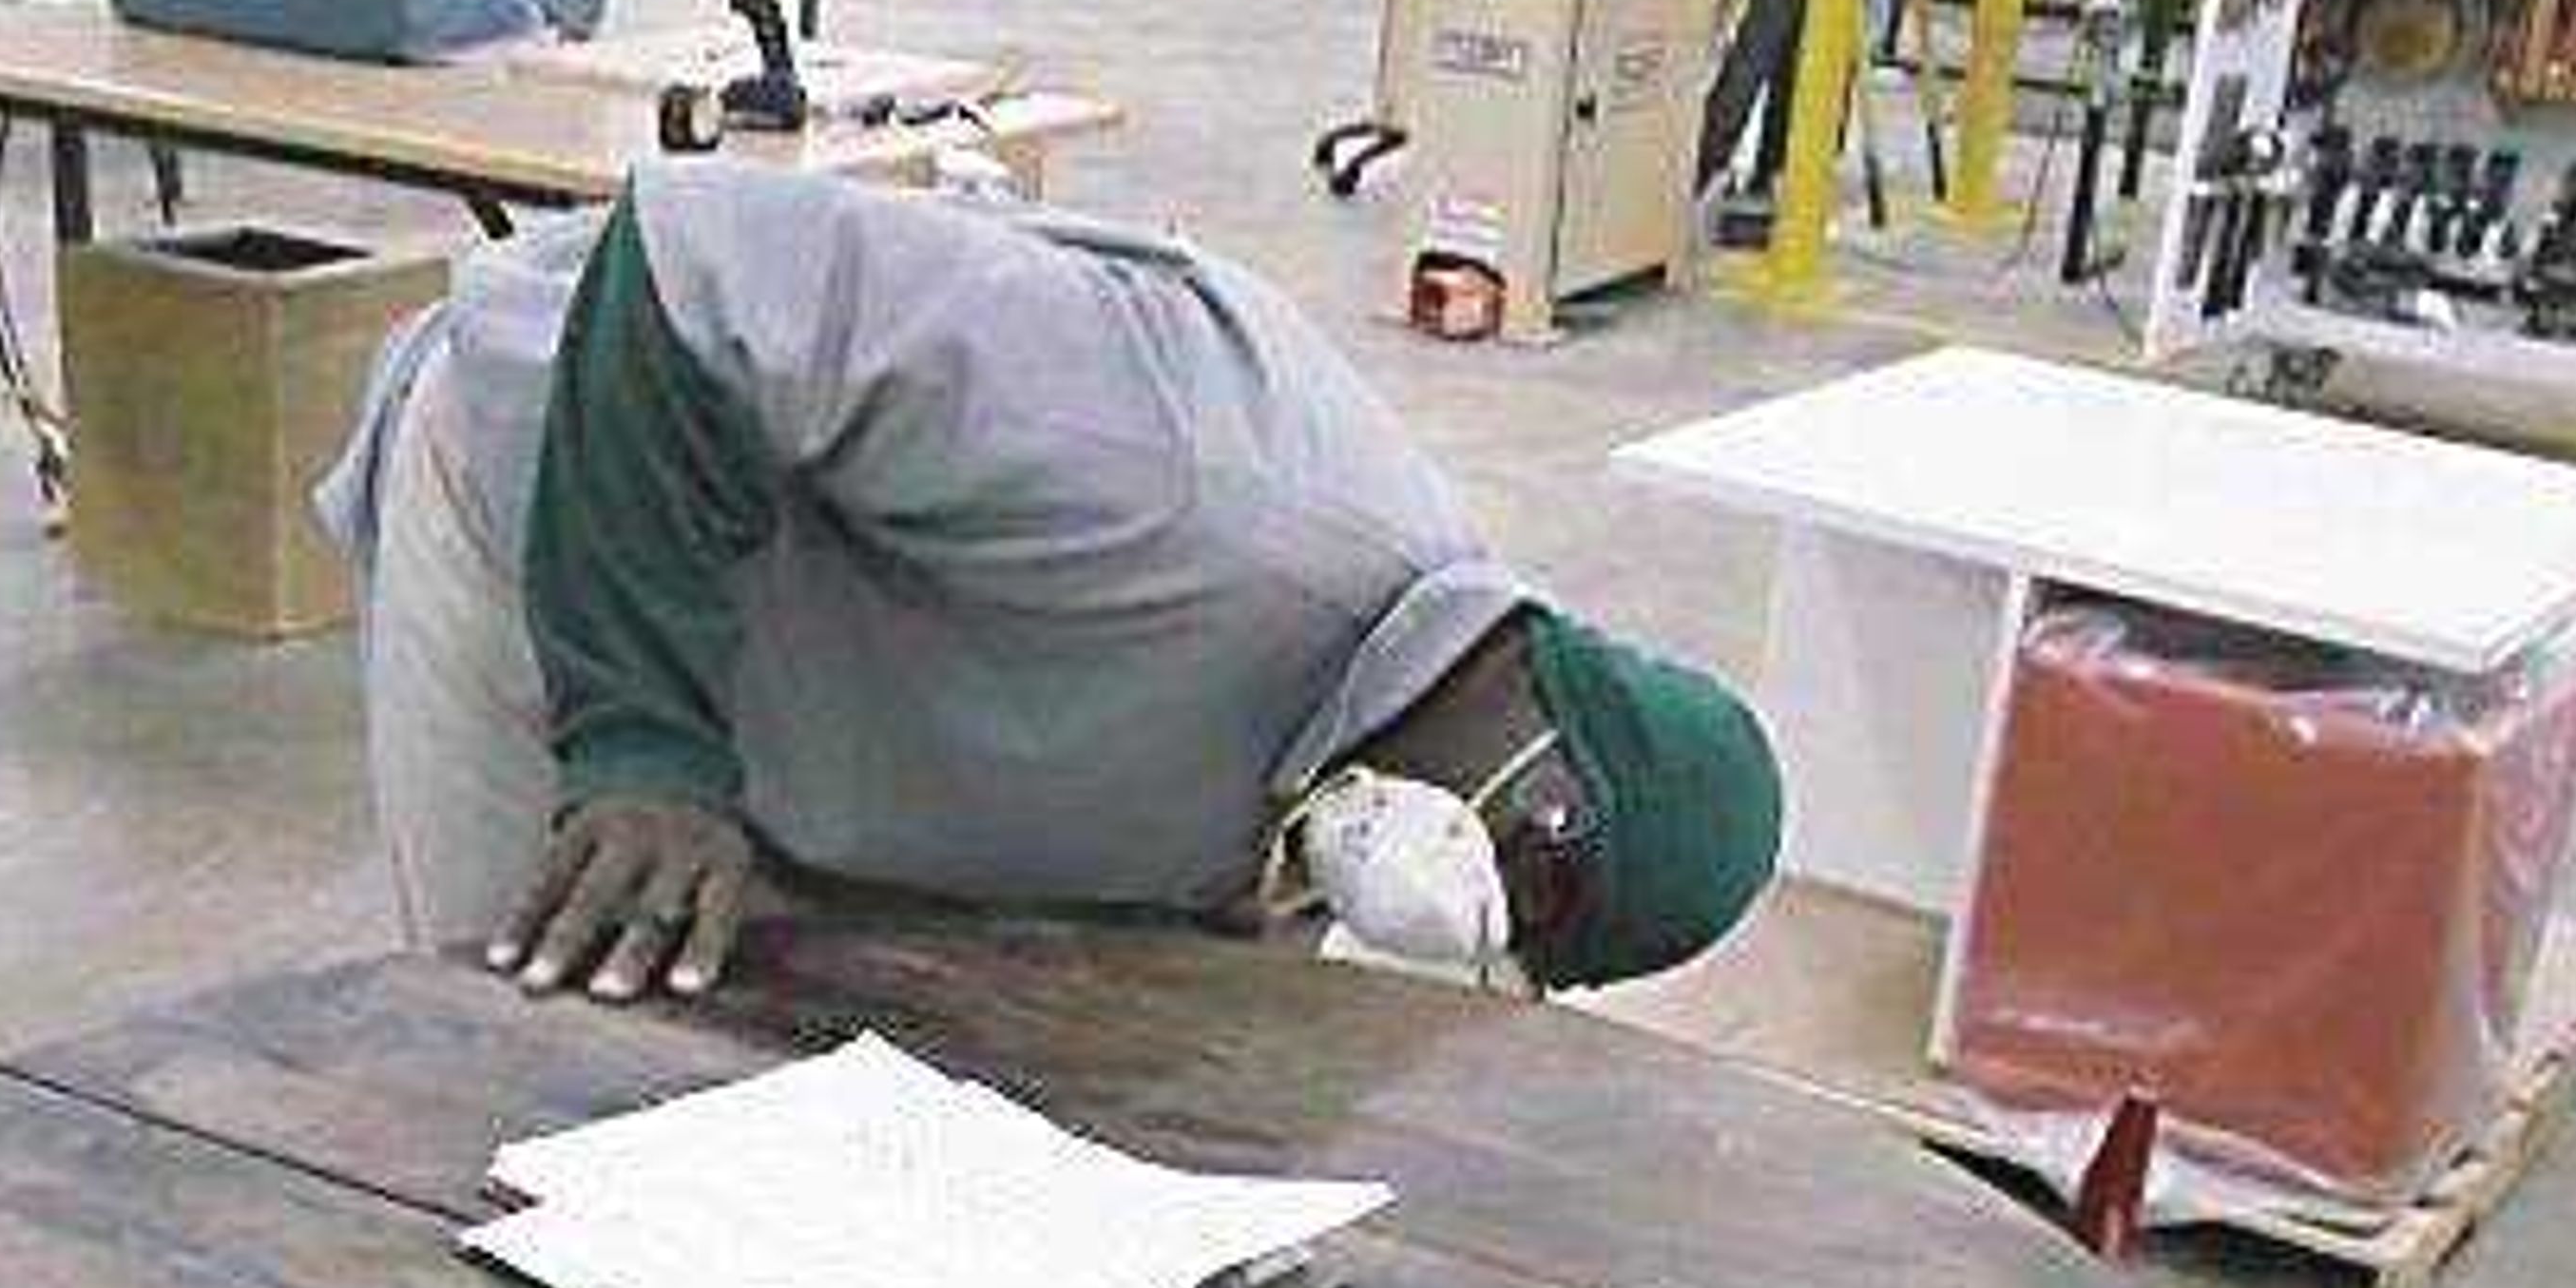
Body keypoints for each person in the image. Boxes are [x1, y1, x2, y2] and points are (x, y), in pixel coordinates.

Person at [320, 160, 1782, 1009]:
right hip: (577, 497)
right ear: (1542, 711)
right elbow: (695, 269)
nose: (1475, 910)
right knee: (531, 1049)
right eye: (1532, 867)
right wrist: (644, 744)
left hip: (818, 656)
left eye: (1524, 945)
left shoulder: (1352, 764)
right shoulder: (1200, 479)